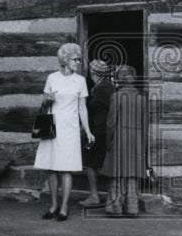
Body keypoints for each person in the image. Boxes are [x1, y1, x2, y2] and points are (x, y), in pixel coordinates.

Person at [34, 43, 94, 221]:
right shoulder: (52, 78)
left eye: (79, 59)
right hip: (52, 127)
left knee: (66, 168)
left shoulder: (80, 81)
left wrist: (88, 130)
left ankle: (64, 207)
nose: (79, 62)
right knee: (52, 168)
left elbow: (82, 108)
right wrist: (48, 101)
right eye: (76, 59)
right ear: (65, 60)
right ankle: (53, 205)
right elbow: (44, 104)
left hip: (70, 129)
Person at [102, 65, 149, 217]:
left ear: (119, 79)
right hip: (136, 140)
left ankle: (115, 208)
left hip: (120, 138)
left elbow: (110, 123)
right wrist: (142, 144)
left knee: (116, 173)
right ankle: (132, 208)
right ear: (133, 78)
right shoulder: (142, 98)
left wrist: (108, 141)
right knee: (132, 173)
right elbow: (145, 125)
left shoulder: (116, 96)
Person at [80, 59, 115, 208]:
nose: (90, 74)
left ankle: (97, 196)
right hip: (98, 130)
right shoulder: (100, 86)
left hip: (102, 131)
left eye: (91, 72)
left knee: (92, 162)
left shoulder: (105, 88)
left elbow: (113, 109)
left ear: (95, 73)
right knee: (93, 162)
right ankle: (105, 197)